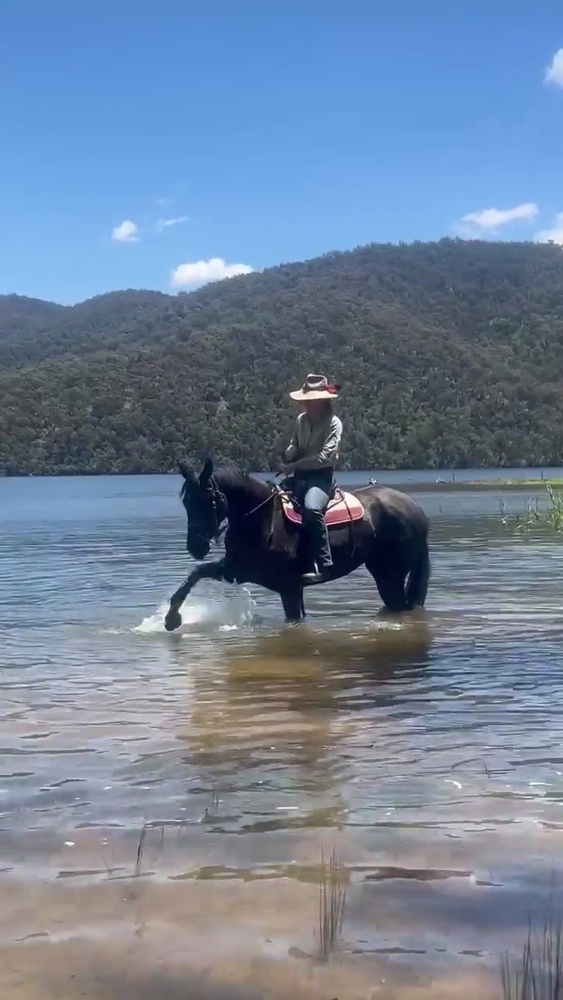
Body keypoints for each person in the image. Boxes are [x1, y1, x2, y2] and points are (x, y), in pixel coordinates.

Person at [279, 373, 343, 584]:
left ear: (321, 401)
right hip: (299, 476)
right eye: (305, 400)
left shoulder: (334, 423)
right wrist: (287, 455)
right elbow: (295, 445)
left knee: (312, 508)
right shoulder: (301, 420)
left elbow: (325, 458)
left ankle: (325, 565)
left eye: (310, 400)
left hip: (321, 478)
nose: (306, 404)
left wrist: (294, 465)